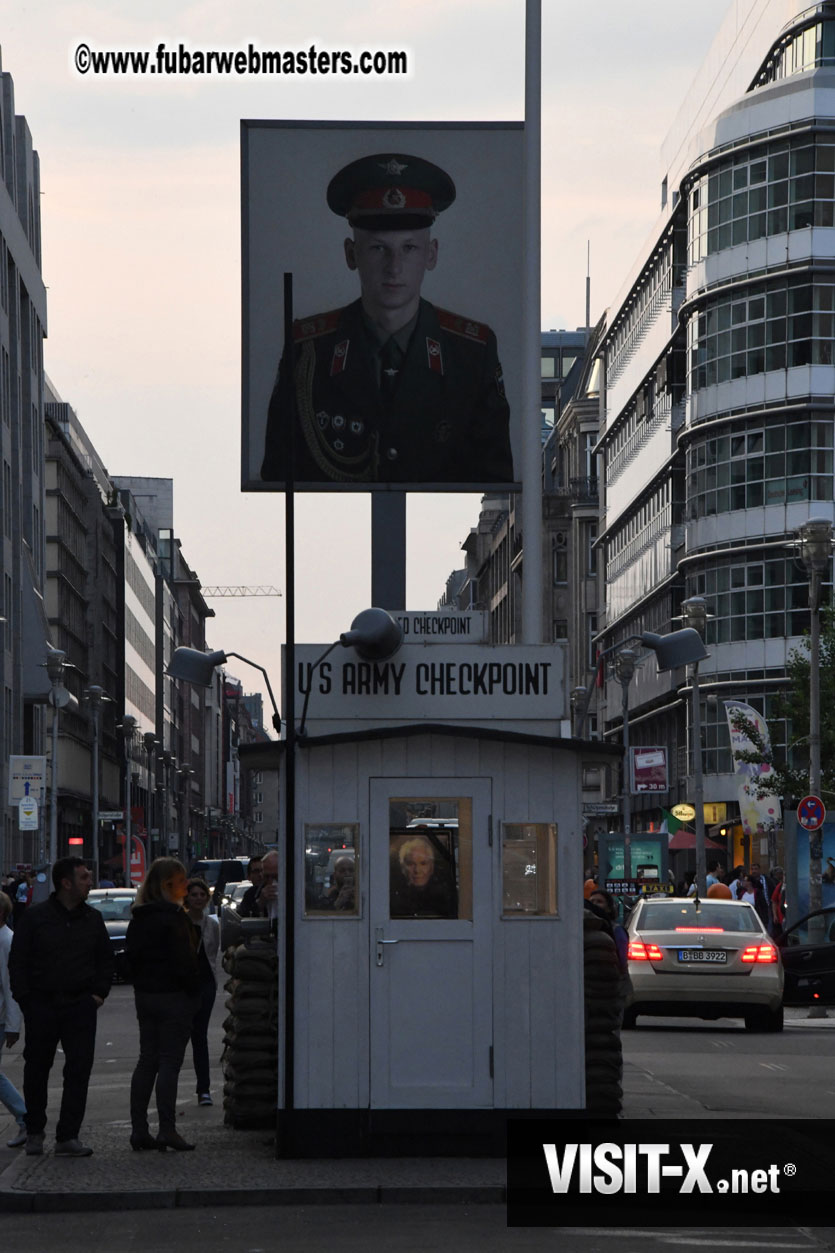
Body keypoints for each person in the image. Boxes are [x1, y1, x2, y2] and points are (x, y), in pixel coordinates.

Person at [260, 152, 513, 486]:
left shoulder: (471, 353)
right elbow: (279, 475)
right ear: (352, 254)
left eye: (409, 249)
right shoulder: (309, 352)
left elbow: (495, 480)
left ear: (431, 254)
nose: (394, 267)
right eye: (378, 249)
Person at [8, 856, 114, 1157]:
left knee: (79, 1070)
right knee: (37, 1069)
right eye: (84, 877)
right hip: (42, 1003)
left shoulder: (92, 919)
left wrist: (98, 994)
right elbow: (18, 961)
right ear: (66, 882)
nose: (89, 882)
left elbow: (105, 960)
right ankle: (35, 1131)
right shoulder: (35, 918)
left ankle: (68, 1135)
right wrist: (26, 999)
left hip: (80, 1004)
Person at [126, 857, 200, 1152]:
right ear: (169, 884)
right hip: (174, 997)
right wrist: (194, 994)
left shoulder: (139, 917)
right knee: (170, 1062)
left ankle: (139, 1129)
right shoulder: (174, 918)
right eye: (181, 882)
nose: (185, 888)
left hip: (146, 997)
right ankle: (167, 1129)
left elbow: (130, 960)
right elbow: (185, 962)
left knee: (147, 1060)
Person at [184, 877, 219, 1107]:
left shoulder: (212, 925)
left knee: (200, 1037)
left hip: (206, 985)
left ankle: (203, 1089)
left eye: (202, 895)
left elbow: (214, 951)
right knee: (178, 1039)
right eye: (194, 894)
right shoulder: (180, 923)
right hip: (184, 986)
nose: (198, 898)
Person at [0, 890, 26, 1148]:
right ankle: (25, 1118)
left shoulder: (6, 941)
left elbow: (10, 987)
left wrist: (12, 1026)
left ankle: (25, 1118)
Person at [390, 835, 456, 918]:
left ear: (431, 867)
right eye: (410, 863)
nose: (417, 870)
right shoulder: (393, 898)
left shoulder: (445, 896)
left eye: (423, 863)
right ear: (403, 867)